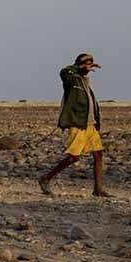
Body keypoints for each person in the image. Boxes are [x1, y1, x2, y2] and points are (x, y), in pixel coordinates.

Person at [39, 53, 113, 197]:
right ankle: (45, 178)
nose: (89, 67)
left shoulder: (85, 81)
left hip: (90, 124)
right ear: (80, 65)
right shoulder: (72, 80)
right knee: (74, 157)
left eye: (90, 65)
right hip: (78, 124)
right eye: (86, 64)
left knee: (98, 153)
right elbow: (63, 72)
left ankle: (98, 189)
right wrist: (77, 67)